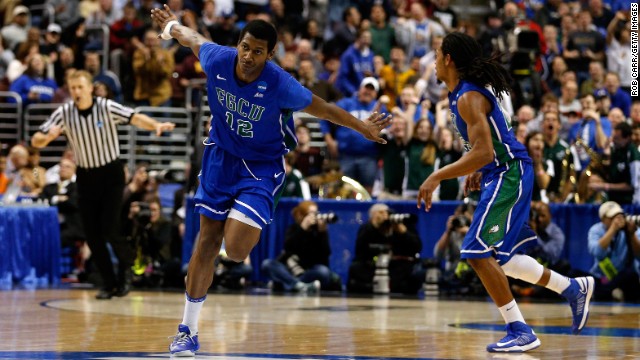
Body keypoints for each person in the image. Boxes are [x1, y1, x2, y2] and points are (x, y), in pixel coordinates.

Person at [149, 6, 392, 356]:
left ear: (270, 54)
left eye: (258, 51)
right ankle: (188, 330)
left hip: (262, 167)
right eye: (245, 47)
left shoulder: (280, 83)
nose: (248, 56)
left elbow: (323, 108)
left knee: (234, 251)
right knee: (205, 244)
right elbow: (192, 38)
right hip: (220, 158)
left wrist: (362, 126)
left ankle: (245, 221)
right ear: (239, 44)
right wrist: (171, 25)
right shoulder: (218, 59)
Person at [416, 32, 594, 353]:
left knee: (475, 252)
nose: (433, 59)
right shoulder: (460, 95)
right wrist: (476, 169)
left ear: (449, 59)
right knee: (502, 260)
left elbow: (485, 151)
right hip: (502, 172)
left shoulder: (468, 97)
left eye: (436, 53)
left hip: (508, 174)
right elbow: (486, 148)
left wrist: (436, 176)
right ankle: (572, 288)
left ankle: (519, 329)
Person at [30, 69, 176, 300]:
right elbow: (36, 139)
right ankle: (109, 283)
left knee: (110, 228)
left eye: (80, 87)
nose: (76, 92)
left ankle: (126, 273)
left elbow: (134, 117)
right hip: (86, 176)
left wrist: (155, 126)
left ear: (90, 88)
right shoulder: (65, 112)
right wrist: (47, 138)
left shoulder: (105, 106)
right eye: (73, 88)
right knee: (92, 234)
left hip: (111, 174)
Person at [261, 200, 341, 292]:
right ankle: (298, 285)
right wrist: (303, 228)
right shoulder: (294, 228)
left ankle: (287, 283)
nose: (314, 217)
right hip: (290, 270)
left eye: (316, 213)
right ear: (302, 215)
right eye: (311, 214)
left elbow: (325, 257)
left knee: (323, 271)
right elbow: (289, 248)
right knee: (267, 264)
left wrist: (322, 233)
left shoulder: (318, 231)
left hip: (308, 271)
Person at [347, 203, 423, 294]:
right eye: (380, 213)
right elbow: (359, 251)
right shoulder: (366, 229)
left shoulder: (402, 225)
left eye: (386, 213)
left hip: (399, 268)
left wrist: (402, 231)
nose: (384, 216)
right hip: (373, 267)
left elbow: (417, 247)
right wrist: (374, 227)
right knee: (356, 268)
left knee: (415, 272)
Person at [588, 201, 640, 302]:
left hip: (623, 277)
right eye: (612, 217)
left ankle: (607, 293)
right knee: (575, 274)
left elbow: (639, 256)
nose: (618, 220)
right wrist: (612, 230)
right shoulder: (596, 230)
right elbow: (597, 252)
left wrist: (631, 234)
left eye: (620, 216)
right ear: (603, 219)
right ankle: (608, 293)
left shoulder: (630, 228)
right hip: (601, 276)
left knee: (631, 275)